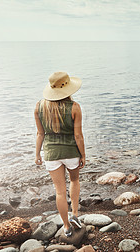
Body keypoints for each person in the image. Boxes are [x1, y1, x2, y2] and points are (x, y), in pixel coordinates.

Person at [34, 71, 86, 237]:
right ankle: (75, 215)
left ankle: (65, 227)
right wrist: (83, 155)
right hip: (71, 152)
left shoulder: (39, 106)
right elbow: (78, 136)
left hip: (51, 154)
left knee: (59, 192)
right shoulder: (74, 107)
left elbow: (40, 134)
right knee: (74, 180)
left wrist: (37, 154)